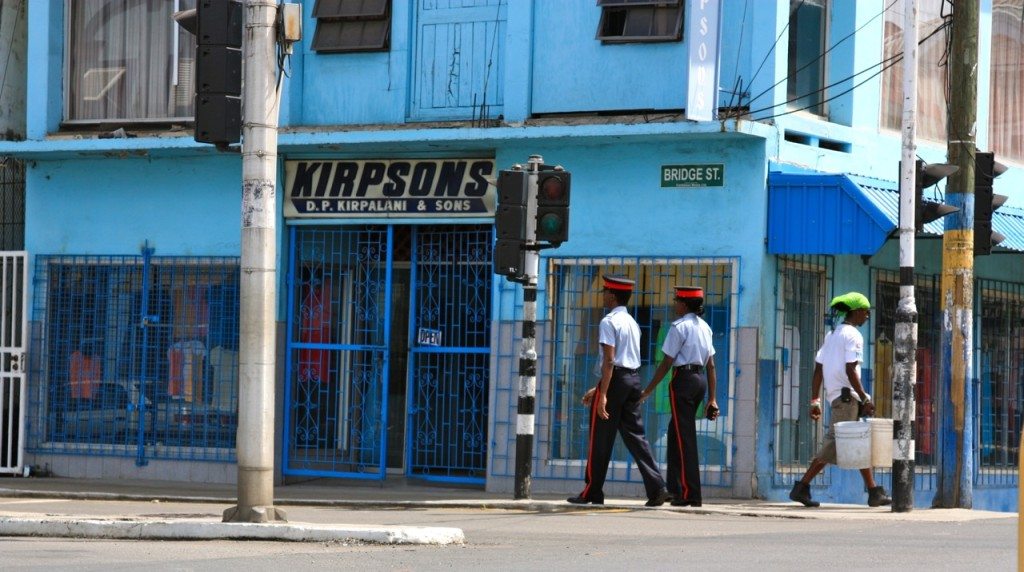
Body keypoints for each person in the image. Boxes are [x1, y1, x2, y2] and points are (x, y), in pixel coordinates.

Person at [568, 275, 671, 507]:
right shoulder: (631, 322)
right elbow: (625, 363)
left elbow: (610, 360)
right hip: (632, 380)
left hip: (616, 381)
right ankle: (658, 488)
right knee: (637, 438)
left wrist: (603, 394)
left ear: (612, 296)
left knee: (599, 438)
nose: (602, 295)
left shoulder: (608, 321)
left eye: (605, 291)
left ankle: (592, 491)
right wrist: (599, 388)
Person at [789, 292, 892, 508]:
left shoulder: (832, 335)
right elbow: (850, 369)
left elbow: (818, 369)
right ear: (855, 312)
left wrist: (815, 400)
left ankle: (873, 491)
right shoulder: (854, 336)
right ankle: (802, 487)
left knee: (858, 442)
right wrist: (865, 398)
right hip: (847, 399)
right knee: (833, 444)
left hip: (837, 397)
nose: (867, 316)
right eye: (865, 312)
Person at [640, 285, 718, 507]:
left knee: (684, 438)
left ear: (684, 304)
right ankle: (674, 489)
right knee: (676, 435)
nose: (674, 304)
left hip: (683, 381)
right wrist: (712, 397)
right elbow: (711, 366)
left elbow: (666, 362)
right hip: (700, 380)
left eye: (676, 301)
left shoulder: (678, 327)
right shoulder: (705, 327)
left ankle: (690, 494)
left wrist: (648, 390)